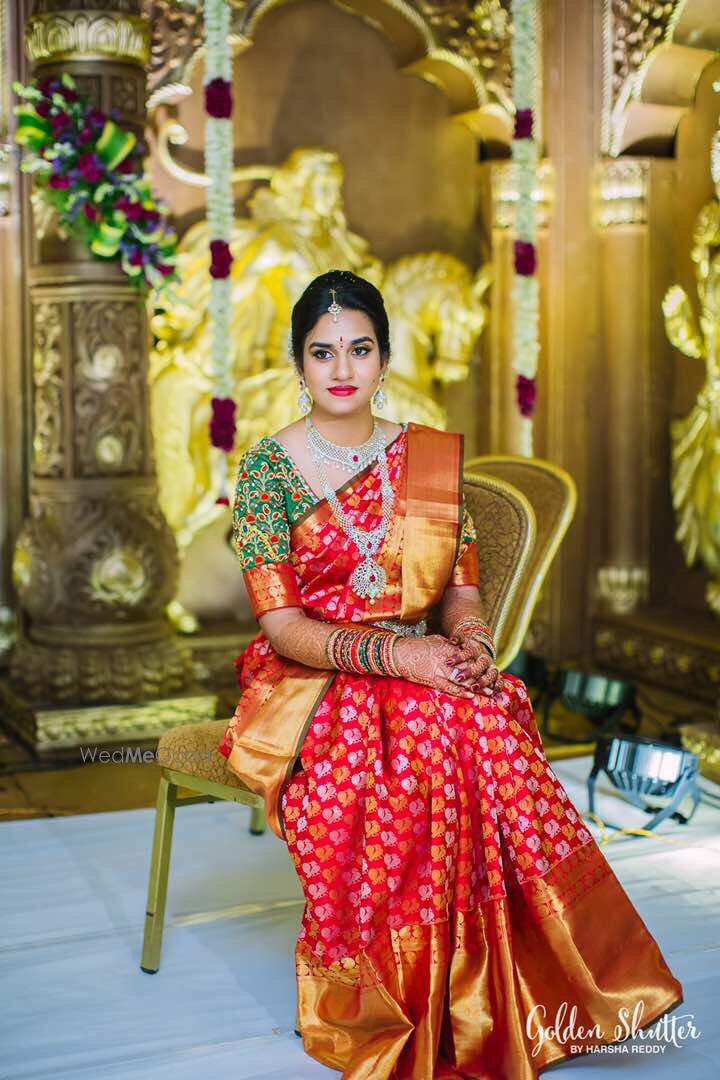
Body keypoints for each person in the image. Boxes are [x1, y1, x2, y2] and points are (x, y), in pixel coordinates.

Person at [218, 269, 683, 1079]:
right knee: (416, 745)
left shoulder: (425, 456)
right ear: (298, 362)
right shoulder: (266, 471)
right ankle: (397, 994)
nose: (341, 367)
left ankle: (516, 986)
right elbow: (283, 626)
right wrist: (402, 656)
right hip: (311, 673)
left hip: (421, 659)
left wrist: (469, 642)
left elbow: (460, 595)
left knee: (485, 709)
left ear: (385, 357)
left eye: (359, 348)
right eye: (322, 351)